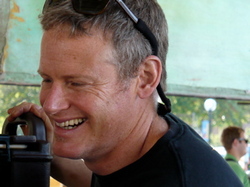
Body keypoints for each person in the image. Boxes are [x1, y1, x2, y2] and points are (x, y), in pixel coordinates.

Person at [7, 0, 243, 186]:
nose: (50, 105)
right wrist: (38, 155)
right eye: (47, 79)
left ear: (145, 78)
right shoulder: (144, 148)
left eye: (77, 83)